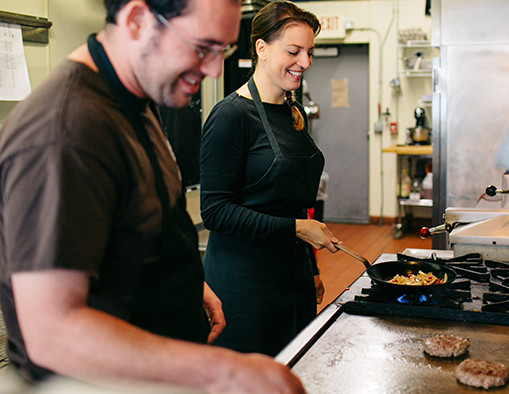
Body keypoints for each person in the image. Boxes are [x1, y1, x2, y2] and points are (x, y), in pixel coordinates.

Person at [0, 0, 306, 392]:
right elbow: (50, 333)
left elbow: (129, 224)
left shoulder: (135, 98)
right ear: (138, 20)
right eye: (202, 48)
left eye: (223, 51)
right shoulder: (67, 132)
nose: (214, 69)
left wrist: (184, 281)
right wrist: (223, 371)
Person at [199, 0, 339, 357]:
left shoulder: (295, 111)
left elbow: (293, 202)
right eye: (293, 51)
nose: (305, 63)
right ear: (261, 48)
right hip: (244, 287)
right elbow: (215, 211)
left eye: (309, 52)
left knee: (292, 368)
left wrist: (310, 267)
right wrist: (296, 229)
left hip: (291, 279)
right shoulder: (230, 116)